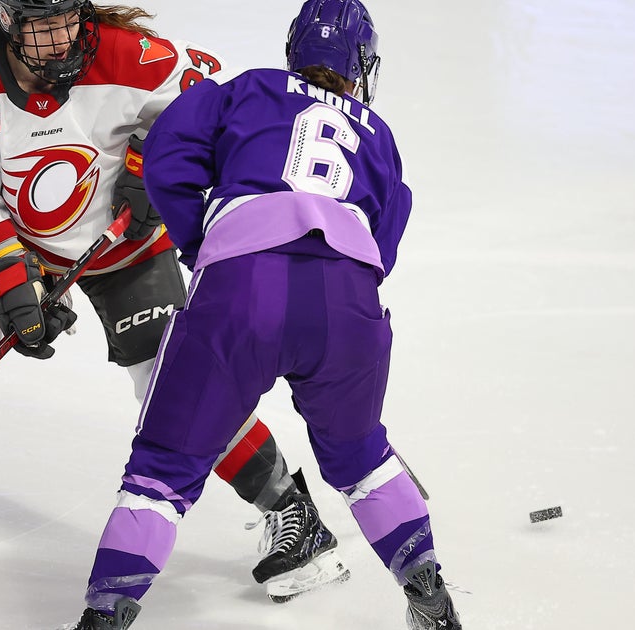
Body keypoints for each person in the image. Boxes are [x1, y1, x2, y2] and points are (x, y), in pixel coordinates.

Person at [0, 0, 350, 602]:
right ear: (6, 20)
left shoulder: (131, 57)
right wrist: (12, 284)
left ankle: (294, 514)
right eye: (40, 22)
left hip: (130, 247)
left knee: (174, 385)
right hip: (22, 245)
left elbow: (207, 112)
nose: (59, 36)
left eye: (67, 16)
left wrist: (152, 162)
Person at [66, 0, 464, 629]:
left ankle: (106, 614)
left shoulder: (247, 89)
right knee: (362, 457)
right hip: (347, 306)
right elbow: (387, 234)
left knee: (163, 472)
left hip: (241, 292)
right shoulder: (379, 134)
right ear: (361, 64)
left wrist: (204, 243)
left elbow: (169, 150)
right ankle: (430, 595)